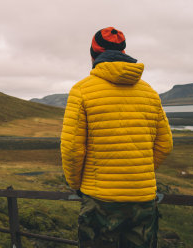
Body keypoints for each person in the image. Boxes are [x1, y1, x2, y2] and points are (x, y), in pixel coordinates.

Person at [61, 27, 173, 248]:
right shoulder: (149, 92)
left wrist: (77, 184)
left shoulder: (82, 90)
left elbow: (73, 149)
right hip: (143, 202)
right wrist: (138, 172)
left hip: (99, 201)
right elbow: (165, 144)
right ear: (123, 52)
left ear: (93, 55)